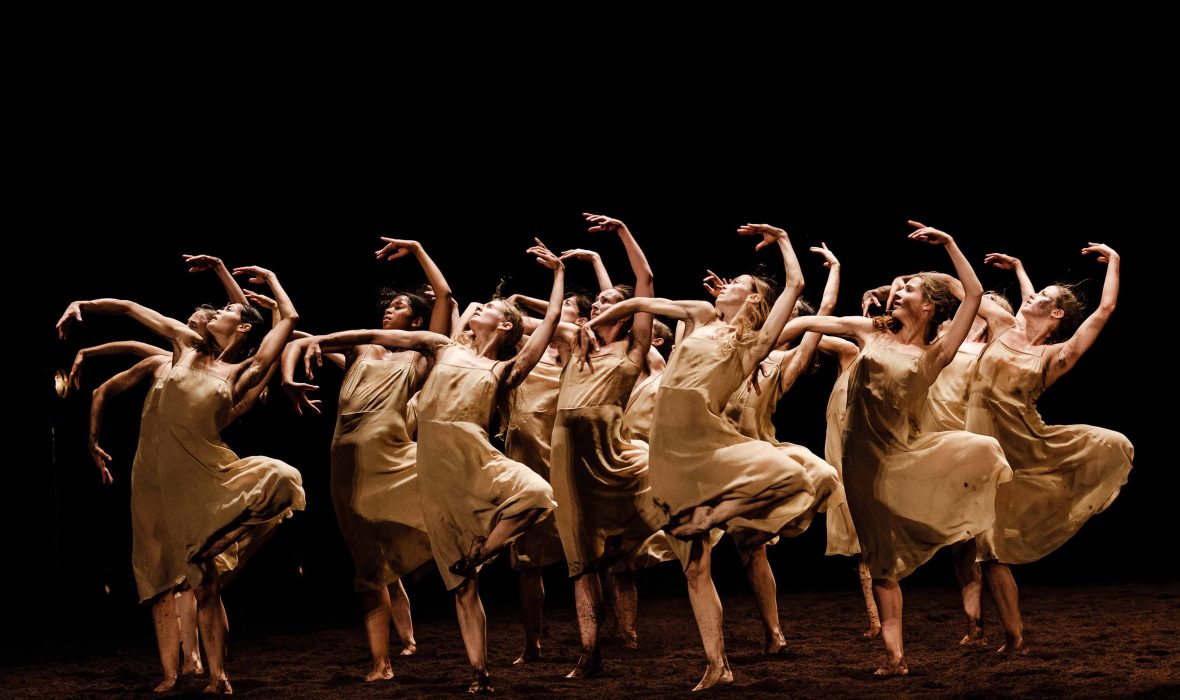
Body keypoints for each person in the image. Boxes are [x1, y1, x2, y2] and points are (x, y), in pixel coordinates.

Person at [301, 242, 564, 694]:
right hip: (436, 470)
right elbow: (380, 335)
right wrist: (317, 341)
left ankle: (484, 549)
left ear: (503, 325)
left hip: (477, 459)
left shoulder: (503, 370)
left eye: (486, 308)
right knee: (461, 586)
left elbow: (551, 324)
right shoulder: (442, 347)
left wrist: (558, 273)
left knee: (538, 495)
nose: (476, 308)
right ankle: (480, 672)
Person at [579, 222, 816, 690]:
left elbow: (796, 286)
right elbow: (641, 301)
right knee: (695, 567)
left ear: (752, 301)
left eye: (740, 284)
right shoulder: (699, 315)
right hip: (668, 448)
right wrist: (593, 323)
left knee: (794, 477)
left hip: (705, 438)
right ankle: (717, 663)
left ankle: (717, 513)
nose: (726, 285)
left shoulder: (755, 343)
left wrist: (785, 241)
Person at [776, 221, 1012, 676]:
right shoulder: (871, 332)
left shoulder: (936, 353)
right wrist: (764, 338)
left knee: (909, 541)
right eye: (900, 286)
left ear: (930, 306)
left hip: (904, 458)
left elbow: (975, 294)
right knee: (880, 562)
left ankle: (961, 611)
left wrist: (948, 243)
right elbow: (808, 321)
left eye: (910, 288)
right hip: (858, 463)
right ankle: (895, 657)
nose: (899, 289)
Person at [58, 263, 305, 694]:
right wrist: (82, 304)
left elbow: (290, 320)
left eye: (226, 310)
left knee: (279, 480)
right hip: (154, 479)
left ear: (242, 325)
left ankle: (217, 676)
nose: (214, 314)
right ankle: (172, 674)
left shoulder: (243, 370)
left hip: (201, 472)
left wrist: (271, 279)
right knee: (156, 576)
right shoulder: (185, 345)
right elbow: (132, 309)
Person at [281, 237, 452, 681]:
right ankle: (381, 662)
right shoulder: (361, 350)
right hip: (346, 457)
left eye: (397, 307)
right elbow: (297, 338)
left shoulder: (420, 355)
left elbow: (447, 298)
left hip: (392, 455)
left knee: (426, 520)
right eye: (388, 306)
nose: (387, 311)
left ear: (414, 321)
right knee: (367, 562)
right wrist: (287, 372)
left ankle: (445, 551)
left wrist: (416, 250)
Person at [960, 244, 1133, 655]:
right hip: (978, 444)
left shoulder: (1056, 355)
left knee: (991, 544)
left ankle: (1012, 636)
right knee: (986, 548)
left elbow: (1104, 310)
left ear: (1056, 315)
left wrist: (1117, 263)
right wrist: (1011, 264)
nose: (1031, 297)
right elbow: (964, 288)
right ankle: (1014, 636)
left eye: (1043, 297)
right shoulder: (1003, 326)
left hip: (1022, 445)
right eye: (1033, 293)